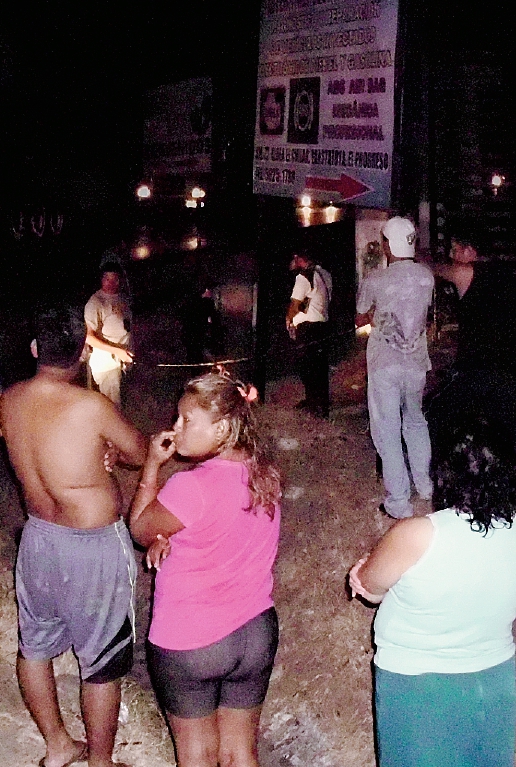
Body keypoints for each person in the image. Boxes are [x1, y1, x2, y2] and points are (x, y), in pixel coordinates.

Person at [0, 306, 147, 767]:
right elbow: (140, 451)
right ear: (83, 353)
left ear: (34, 349)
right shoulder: (91, 405)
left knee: (35, 647)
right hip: (93, 546)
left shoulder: (11, 399)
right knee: (101, 660)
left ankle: (58, 746)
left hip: (39, 539)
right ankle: (100, 762)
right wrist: (109, 452)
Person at [348, 433, 516, 767]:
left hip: (419, 688)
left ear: (444, 477)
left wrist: (360, 574)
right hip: (494, 684)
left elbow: (370, 589)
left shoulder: (418, 533)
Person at [129, 373, 281, 767]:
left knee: (197, 755)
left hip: (193, 640)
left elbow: (141, 527)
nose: (175, 428)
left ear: (223, 428)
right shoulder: (264, 476)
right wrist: (173, 540)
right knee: (240, 753)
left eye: (186, 420)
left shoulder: (189, 486)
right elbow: (220, 531)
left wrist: (151, 466)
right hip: (255, 633)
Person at [356, 217, 435, 519]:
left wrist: (376, 314)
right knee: (415, 421)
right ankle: (425, 486)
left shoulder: (376, 279)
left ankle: (399, 500)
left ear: (389, 244)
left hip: (384, 362)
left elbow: (361, 316)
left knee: (387, 428)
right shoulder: (426, 277)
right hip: (415, 360)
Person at [428, 230, 516, 466]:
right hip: (511, 363)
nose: (452, 255)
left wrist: (418, 257)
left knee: (441, 415)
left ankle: (458, 474)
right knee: (504, 430)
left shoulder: (466, 272)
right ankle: (504, 488)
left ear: (470, 251)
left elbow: (438, 269)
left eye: (455, 249)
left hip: (482, 366)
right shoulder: (509, 274)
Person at [285, 247, 333, 417]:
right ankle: (321, 403)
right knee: (319, 366)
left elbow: (295, 304)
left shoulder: (303, 277)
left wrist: (289, 321)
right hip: (322, 325)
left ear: (299, 258)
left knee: (307, 367)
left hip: (308, 328)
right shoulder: (325, 274)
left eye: (294, 258)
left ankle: (313, 403)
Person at [84, 262, 133, 405]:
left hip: (122, 360)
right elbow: (89, 337)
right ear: (101, 280)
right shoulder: (96, 302)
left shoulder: (122, 298)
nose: (111, 283)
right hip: (106, 364)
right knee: (112, 407)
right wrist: (117, 351)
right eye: (107, 279)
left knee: (121, 400)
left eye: (115, 279)